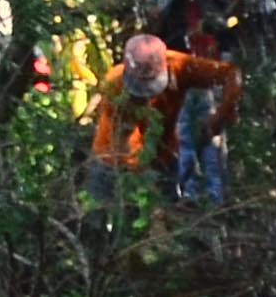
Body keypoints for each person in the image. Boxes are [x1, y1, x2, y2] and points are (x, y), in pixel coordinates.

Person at [88, 28, 243, 204]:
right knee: (102, 215)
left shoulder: (180, 66)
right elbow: (130, 151)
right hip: (112, 162)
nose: (145, 97)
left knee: (167, 210)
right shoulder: (115, 88)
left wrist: (222, 114)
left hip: (164, 157)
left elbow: (231, 74)